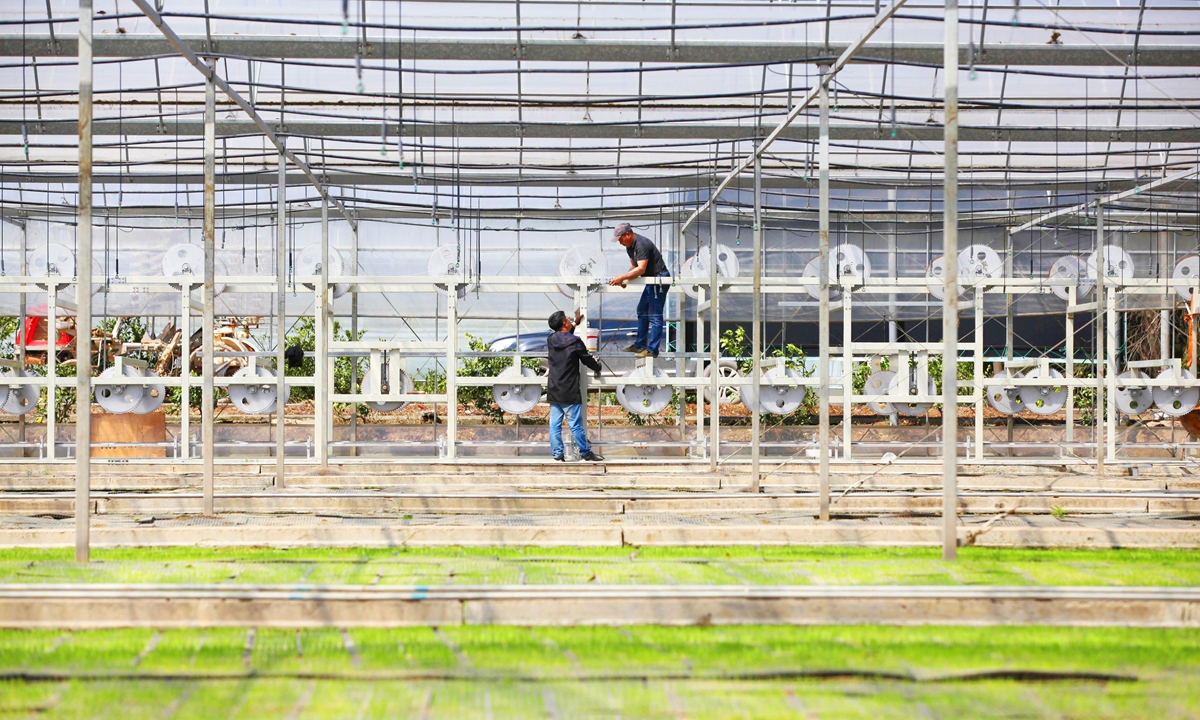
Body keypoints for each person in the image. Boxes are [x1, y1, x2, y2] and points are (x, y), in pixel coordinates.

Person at [546, 309, 605, 462]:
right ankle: (585, 453)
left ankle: (558, 454)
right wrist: (598, 366)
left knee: (554, 425)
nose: (569, 319)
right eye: (567, 318)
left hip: (554, 389)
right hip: (569, 391)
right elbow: (586, 359)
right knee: (575, 425)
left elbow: (563, 336)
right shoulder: (575, 342)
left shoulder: (551, 339)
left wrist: (574, 324)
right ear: (564, 323)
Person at [608, 222, 671, 358]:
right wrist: (625, 279)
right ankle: (640, 345)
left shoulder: (641, 244)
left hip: (658, 279)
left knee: (654, 315)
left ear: (628, 234)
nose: (620, 242)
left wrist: (622, 277)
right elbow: (634, 266)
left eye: (620, 239)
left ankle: (652, 350)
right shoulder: (629, 247)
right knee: (642, 310)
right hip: (650, 281)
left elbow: (641, 268)